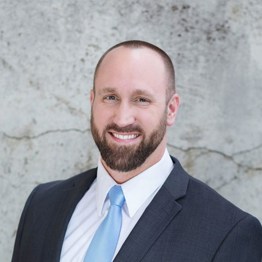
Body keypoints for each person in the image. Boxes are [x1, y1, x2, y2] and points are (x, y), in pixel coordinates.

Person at [12, 40, 262, 262]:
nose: (122, 119)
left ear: (171, 109)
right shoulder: (43, 204)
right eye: (110, 97)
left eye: (141, 99)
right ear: (92, 101)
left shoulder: (229, 233)